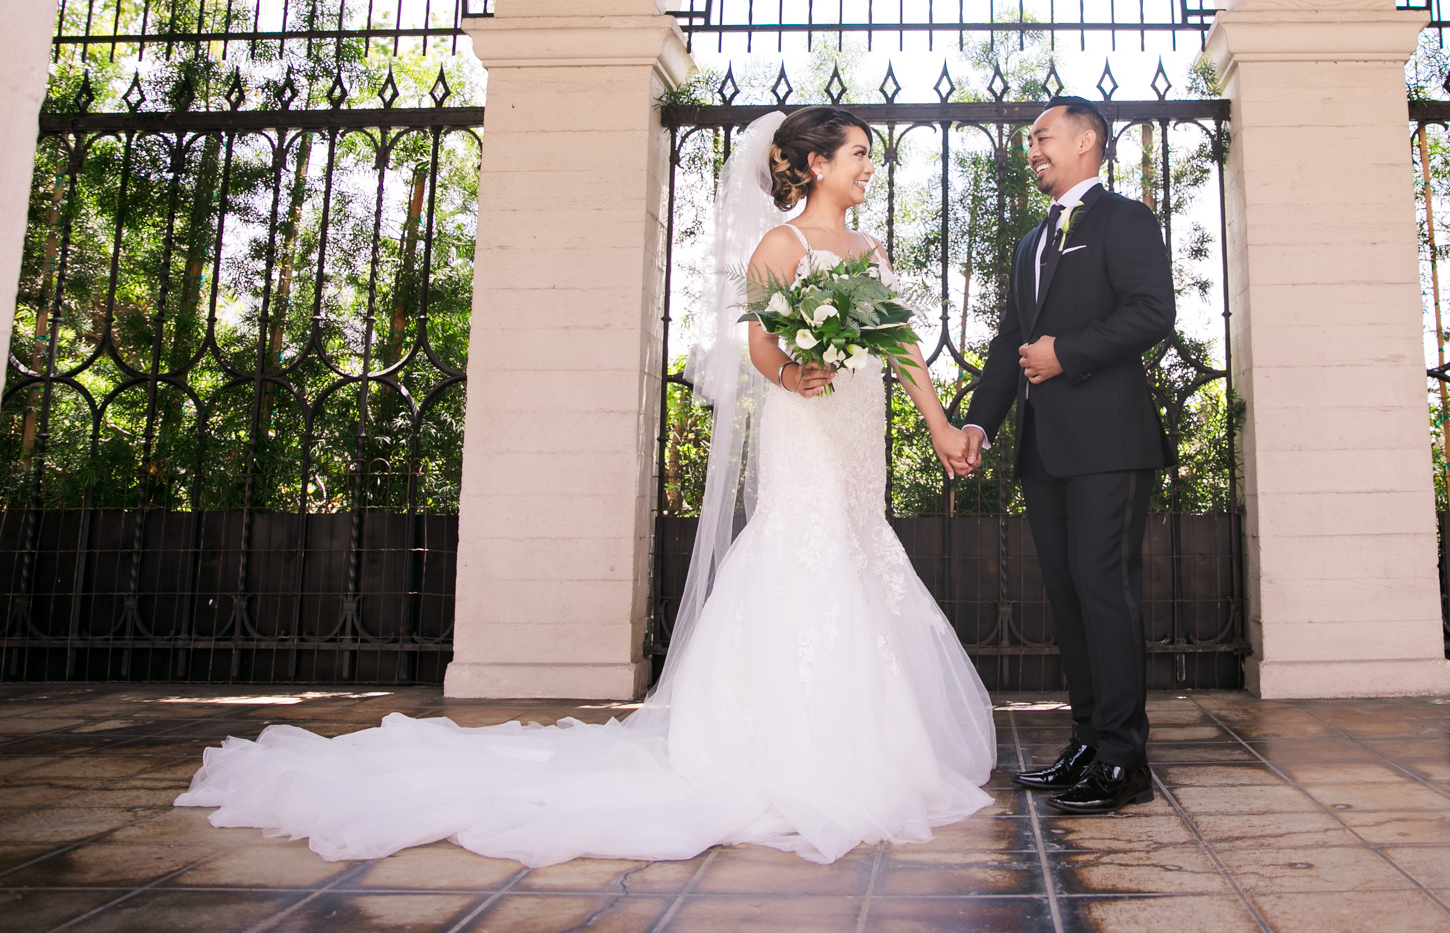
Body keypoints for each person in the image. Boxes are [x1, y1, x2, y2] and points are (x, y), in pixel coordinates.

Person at [174, 108, 998, 866]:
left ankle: (865, 745)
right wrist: (795, 370)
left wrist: (936, 425)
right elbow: (756, 345)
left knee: (860, 549)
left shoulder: (871, 253)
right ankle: (785, 751)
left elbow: (903, 348)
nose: (868, 169)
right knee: (804, 551)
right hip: (804, 420)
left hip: (856, 432)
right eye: (858, 155)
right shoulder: (780, 249)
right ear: (816, 164)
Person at [962, 96, 1176, 815]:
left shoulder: (1125, 219)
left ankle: (1125, 759)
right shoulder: (1030, 242)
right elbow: (1009, 343)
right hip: (1043, 448)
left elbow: (1152, 311)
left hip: (1110, 442)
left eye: (1042, 136)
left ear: (1087, 142)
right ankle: (1088, 740)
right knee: (1070, 594)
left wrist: (1067, 353)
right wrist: (979, 426)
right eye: (1031, 140)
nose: (1033, 149)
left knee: (1104, 587)